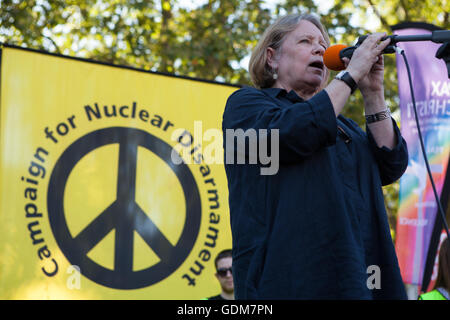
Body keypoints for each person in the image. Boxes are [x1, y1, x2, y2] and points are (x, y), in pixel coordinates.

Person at [222, 13, 409, 299]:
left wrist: (373, 93)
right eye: (306, 41)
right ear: (272, 58)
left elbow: (390, 164)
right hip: (286, 283)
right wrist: (350, 76)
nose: (320, 49)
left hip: (358, 281)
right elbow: (294, 132)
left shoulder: (344, 125)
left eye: (323, 43)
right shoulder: (246, 106)